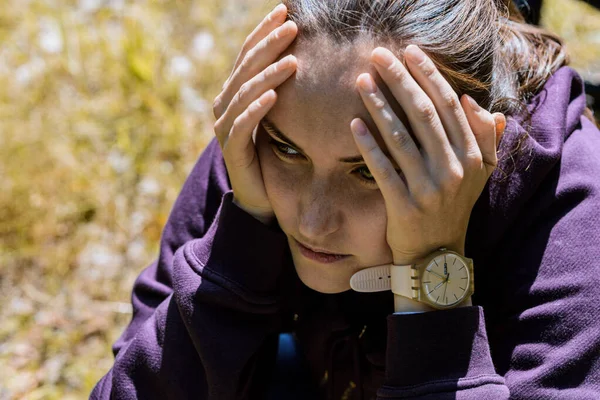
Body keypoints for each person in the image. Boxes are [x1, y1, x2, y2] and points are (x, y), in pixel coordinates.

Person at [90, 1, 600, 399]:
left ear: (469, 141)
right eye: (290, 151)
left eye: (370, 171)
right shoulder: (270, 134)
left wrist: (432, 278)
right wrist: (241, 238)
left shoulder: (572, 207)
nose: (312, 221)